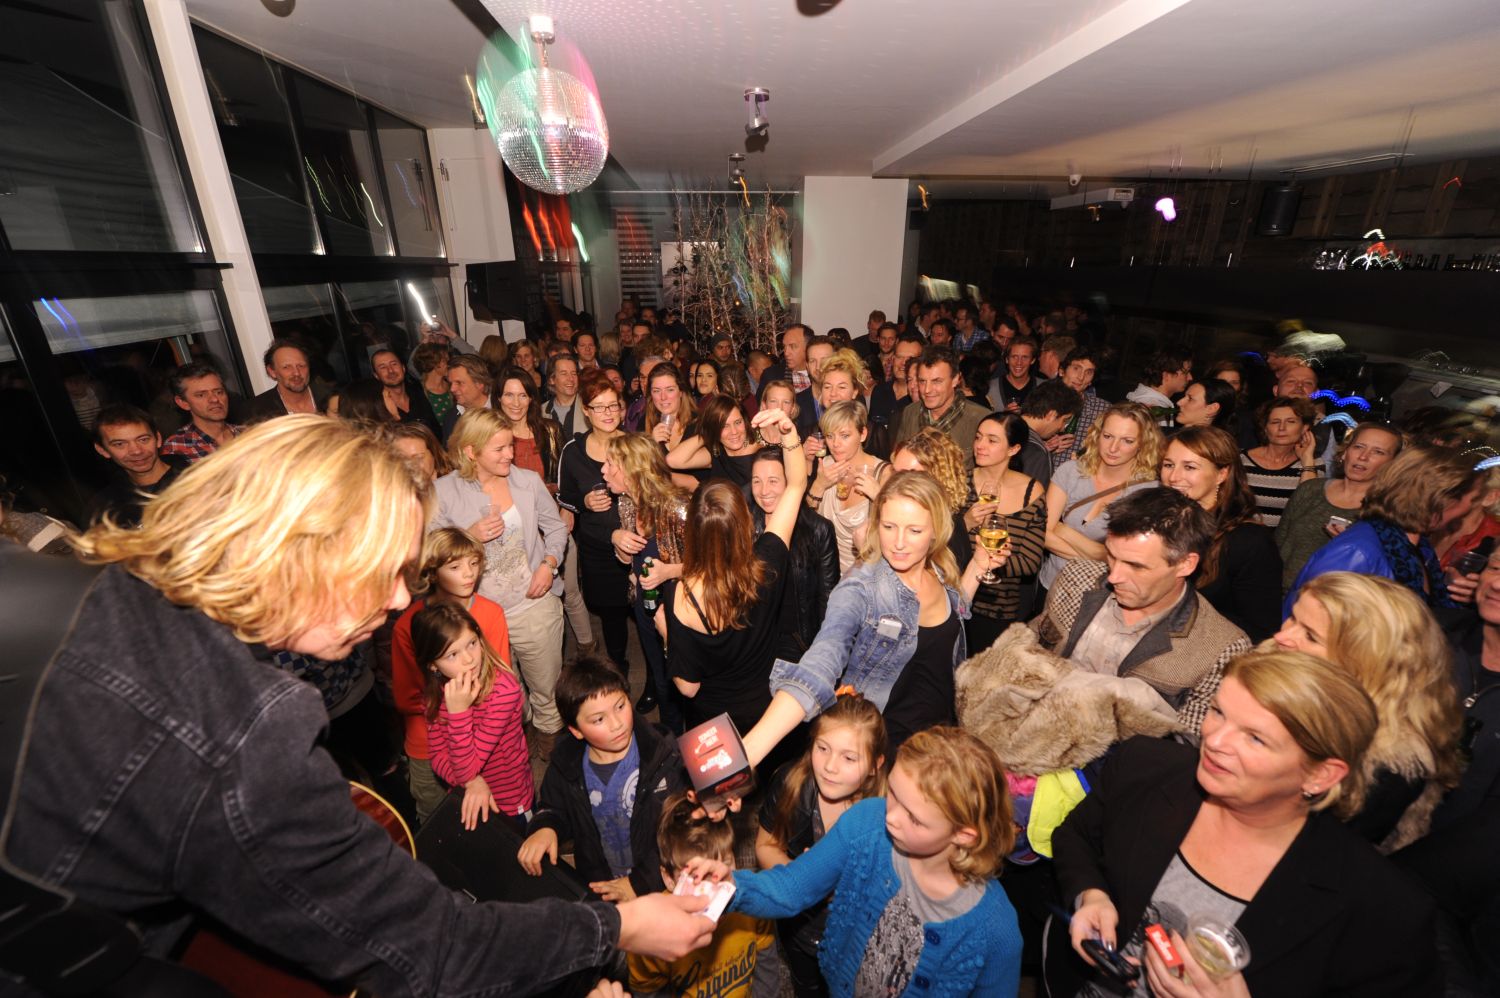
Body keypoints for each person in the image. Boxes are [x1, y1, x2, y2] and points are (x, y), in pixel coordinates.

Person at [5, 415, 718, 997]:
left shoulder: (66, 589)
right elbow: (431, 946)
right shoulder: (241, 733)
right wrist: (615, 927)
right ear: (303, 550)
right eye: (383, 570)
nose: (400, 599)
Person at [1048, 649, 1440, 998]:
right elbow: (1077, 835)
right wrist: (1091, 894)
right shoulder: (1145, 768)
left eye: (1255, 738)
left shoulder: (1383, 911)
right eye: (1219, 712)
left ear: (1320, 776)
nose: (1216, 741)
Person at [687, 727, 1023, 998]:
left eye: (914, 818)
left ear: (964, 835)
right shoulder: (866, 823)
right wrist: (733, 885)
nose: (891, 817)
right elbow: (791, 888)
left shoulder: (996, 930)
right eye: (892, 793)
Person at [743, 471, 1006, 759]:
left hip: (939, 738)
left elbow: (953, 614)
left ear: (936, 531)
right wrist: (747, 755)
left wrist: (978, 567)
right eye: (889, 526)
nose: (899, 543)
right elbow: (821, 660)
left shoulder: (939, 570)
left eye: (914, 531)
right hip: (885, 751)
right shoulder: (861, 587)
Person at [1031, 487, 1252, 734]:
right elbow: (1031, 645)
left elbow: (1186, 745)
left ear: (1185, 564)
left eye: (1136, 566)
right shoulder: (1077, 578)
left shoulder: (1220, 649)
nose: (1114, 576)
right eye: (1112, 556)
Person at [1274, 572, 1463, 851]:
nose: (1281, 636)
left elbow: (1312, 857)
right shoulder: (1272, 678)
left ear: (1364, 662)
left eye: (1311, 636)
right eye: (1292, 617)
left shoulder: (1388, 769)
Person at [659, 407, 807, 740]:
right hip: (765, 713)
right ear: (743, 524)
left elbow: (687, 687)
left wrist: (667, 632)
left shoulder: (680, 595)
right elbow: (797, 484)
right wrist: (789, 433)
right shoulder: (765, 563)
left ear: (692, 533)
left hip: (714, 724)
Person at [432, 408, 568, 756]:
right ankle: (515, 744)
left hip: (533, 605)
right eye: (500, 448)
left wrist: (549, 566)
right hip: (478, 617)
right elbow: (428, 551)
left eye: (510, 445)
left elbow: (555, 529)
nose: (510, 454)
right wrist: (468, 535)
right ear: (471, 451)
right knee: (502, 693)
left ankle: (550, 742)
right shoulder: (443, 491)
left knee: (546, 686)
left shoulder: (527, 482)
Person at [519, 654, 689, 904]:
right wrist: (546, 826)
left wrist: (640, 883)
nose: (617, 724)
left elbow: (680, 832)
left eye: (620, 706)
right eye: (599, 719)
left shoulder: (664, 758)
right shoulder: (566, 765)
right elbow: (553, 807)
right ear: (576, 730)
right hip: (600, 881)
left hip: (658, 880)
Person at [755, 694, 887, 998]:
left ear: (874, 766)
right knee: (807, 986)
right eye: (822, 748)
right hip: (799, 930)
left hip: (860, 936)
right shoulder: (791, 784)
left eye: (849, 757)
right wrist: (800, 876)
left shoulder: (888, 813)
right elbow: (765, 844)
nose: (829, 766)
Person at [391, 527, 508, 822]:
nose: (469, 574)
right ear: (432, 572)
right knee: (437, 819)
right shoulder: (407, 625)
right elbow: (406, 699)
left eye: (474, 564)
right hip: (428, 744)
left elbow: (501, 678)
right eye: (455, 567)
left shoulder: (491, 613)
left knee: (495, 821)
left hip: (486, 739)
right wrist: (453, 709)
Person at [1286, 445, 1485, 614]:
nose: (1474, 507)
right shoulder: (1357, 552)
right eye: (1473, 499)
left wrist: (1455, 593)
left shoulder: (1416, 545)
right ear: (1441, 499)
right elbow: (1306, 625)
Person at [629, 793, 781, 998]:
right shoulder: (653, 932)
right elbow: (648, 991)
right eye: (697, 876)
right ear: (669, 879)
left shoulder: (752, 903)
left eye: (725, 865)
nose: (714, 885)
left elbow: (767, 967)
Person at [414, 603, 532, 832]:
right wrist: (471, 782)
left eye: (472, 643)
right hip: (468, 797)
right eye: (452, 654)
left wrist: (459, 713)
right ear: (432, 665)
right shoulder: (434, 695)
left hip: (509, 802)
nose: (469, 659)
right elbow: (437, 755)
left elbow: (467, 768)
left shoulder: (502, 691)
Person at [1161, 427, 1282, 641]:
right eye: (1168, 465)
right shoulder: (1159, 520)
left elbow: (1262, 632)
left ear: (1222, 474)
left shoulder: (1249, 541)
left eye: (1189, 467)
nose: (1173, 476)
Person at [605, 432, 691, 728]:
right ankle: (669, 736)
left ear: (632, 470)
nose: (603, 471)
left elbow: (710, 564)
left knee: (684, 679)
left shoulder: (677, 507)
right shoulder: (628, 503)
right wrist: (622, 552)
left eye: (610, 465)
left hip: (681, 610)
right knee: (659, 673)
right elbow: (634, 559)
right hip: (646, 605)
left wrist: (667, 572)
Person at [560, 375, 644, 672]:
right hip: (598, 549)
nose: (608, 413)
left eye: (613, 406)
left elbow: (653, 492)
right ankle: (618, 666)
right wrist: (583, 503)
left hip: (637, 544)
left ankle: (653, 682)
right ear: (586, 409)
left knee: (645, 613)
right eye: (599, 407)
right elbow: (565, 497)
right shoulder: (573, 452)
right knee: (611, 615)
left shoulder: (635, 446)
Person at [1040, 402, 1162, 596]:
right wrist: (1102, 557)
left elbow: (1128, 558)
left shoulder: (1149, 493)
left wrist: (1062, 529)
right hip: (1051, 586)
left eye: (1127, 441)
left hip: (1102, 596)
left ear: (1143, 444)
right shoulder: (1071, 471)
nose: (1113, 448)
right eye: (1107, 436)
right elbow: (1042, 533)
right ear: (1097, 435)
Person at [1275, 421, 1403, 593]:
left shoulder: (1386, 510)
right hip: (1276, 593)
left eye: (1378, 452)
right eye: (1358, 447)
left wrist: (1350, 544)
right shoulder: (1311, 489)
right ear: (1346, 452)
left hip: (1332, 602)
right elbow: (1278, 544)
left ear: (1392, 463)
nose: (1363, 456)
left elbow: (1383, 577)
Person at [963, 412, 1048, 649]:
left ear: (1013, 449)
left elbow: (1031, 563)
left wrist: (990, 563)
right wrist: (966, 523)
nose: (980, 445)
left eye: (992, 440)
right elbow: (941, 547)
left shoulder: (1032, 491)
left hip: (998, 609)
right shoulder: (960, 483)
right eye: (978, 437)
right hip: (957, 598)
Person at [805, 400, 890, 575]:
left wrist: (879, 498)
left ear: (863, 434)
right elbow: (807, 524)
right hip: (824, 574)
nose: (835, 444)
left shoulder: (884, 473)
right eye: (829, 436)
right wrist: (818, 486)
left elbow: (899, 530)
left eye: (844, 435)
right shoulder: (826, 465)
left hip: (866, 579)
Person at [889, 429, 974, 571]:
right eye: (896, 473)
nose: (896, 482)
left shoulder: (947, 534)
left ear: (937, 479)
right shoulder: (907, 517)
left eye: (910, 475)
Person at [87, 404, 184, 527]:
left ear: (158, 439)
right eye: (120, 444)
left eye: (143, 439)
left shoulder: (197, 479)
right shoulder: (104, 508)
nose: (136, 451)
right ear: (102, 450)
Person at [891, 347, 990, 463]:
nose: (927, 390)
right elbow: (897, 460)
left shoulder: (981, 419)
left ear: (955, 380)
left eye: (936, 381)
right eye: (922, 381)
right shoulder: (910, 412)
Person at [1241, 396, 1321, 528]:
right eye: (1275, 422)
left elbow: (1308, 506)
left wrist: (1307, 461)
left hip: (1287, 543)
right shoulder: (1240, 460)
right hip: (1245, 540)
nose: (1282, 428)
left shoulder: (1314, 463)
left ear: (1304, 428)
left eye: (1291, 421)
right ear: (1265, 428)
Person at [666, 395, 763, 488]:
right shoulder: (717, 454)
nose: (734, 432)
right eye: (724, 426)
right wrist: (707, 434)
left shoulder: (760, 451)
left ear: (745, 421)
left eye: (738, 422)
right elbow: (673, 460)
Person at [161, 362, 241, 463]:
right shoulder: (177, 447)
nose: (214, 399)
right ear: (183, 403)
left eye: (219, 392)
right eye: (201, 395)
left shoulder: (247, 434)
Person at [1017, 379, 1084, 488]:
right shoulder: (1037, 452)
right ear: (1051, 415)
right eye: (1064, 420)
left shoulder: (1001, 424)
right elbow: (1034, 501)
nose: (1062, 429)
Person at [1051, 346, 1110, 469]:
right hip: (1041, 475)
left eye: (1088, 372)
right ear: (1062, 371)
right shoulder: (1042, 400)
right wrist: (1046, 446)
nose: (1081, 377)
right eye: (1076, 368)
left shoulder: (1102, 410)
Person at [249, 338, 324, 419]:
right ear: (272, 372)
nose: (296, 373)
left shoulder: (332, 398)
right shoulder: (258, 410)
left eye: (301, 365)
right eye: (286, 367)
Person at [1126, 347, 1193, 425]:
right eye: (1186, 372)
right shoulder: (1151, 409)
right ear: (1166, 375)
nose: (1190, 377)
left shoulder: (1149, 401)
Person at [642, 362, 696, 453]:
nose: (663, 397)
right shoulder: (644, 423)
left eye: (670, 390)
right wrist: (651, 444)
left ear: (681, 391)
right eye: (656, 391)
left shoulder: (699, 423)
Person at [410, 342, 457, 440]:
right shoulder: (418, 393)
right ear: (434, 363)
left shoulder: (453, 387)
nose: (450, 364)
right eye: (446, 360)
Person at [989, 335, 1039, 412]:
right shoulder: (990, 388)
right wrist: (1003, 416)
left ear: (1032, 360)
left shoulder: (1043, 387)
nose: (1019, 363)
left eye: (1024, 357)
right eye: (1014, 357)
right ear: (1007, 359)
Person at [1173, 377, 1237, 433]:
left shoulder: (1208, 445)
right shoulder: (1169, 436)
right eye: (1184, 396)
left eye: (1190, 399)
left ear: (1211, 409)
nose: (1179, 402)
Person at [546, 352, 589, 437]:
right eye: (564, 373)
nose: (571, 379)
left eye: (573, 373)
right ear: (552, 379)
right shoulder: (541, 412)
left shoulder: (589, 407)